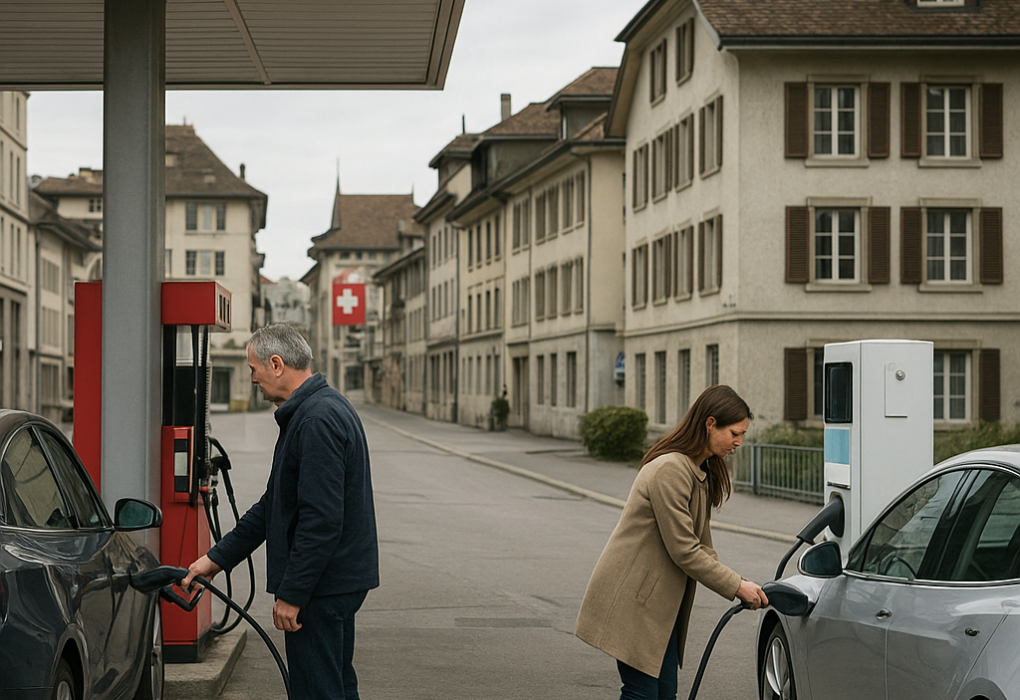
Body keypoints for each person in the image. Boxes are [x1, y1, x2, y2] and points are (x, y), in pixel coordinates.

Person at [183, 323, 379, 700]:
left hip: (322, 587)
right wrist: (216, 559)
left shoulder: (316, 420)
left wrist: (294, 594)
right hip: (335, 581)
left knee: (315, 691)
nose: (252, 379)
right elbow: (273, 504)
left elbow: (321, 521)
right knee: (337, 685)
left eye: (254, 369)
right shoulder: (317, 409)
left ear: (276, 364)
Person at [575, 385, 768, 700]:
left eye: (742, 435)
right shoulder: (670, 470)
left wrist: (743, 583)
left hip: (658, 608)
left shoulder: (698, 472)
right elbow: (685, 550)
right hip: (634, 601)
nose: (739, 442)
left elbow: (703, 547)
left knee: (664, 695)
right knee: (642, 694)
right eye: (735, 433)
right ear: (710, 424)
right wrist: (736, 586)